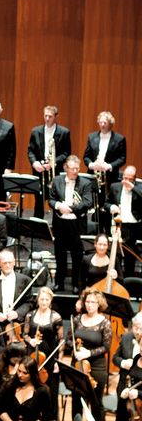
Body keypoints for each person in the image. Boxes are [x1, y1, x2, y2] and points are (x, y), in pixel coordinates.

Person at [49, 155, 94, 291]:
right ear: (65, 168)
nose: (75, 171)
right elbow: (50, 199)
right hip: (60, 224)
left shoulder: (85, 183)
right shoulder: (57, 181)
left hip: (77, 225)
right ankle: (59, 282)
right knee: (60, 255)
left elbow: (87, 202)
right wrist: (58, 205)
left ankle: (76, 284)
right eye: (72, 168)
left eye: (77, 168)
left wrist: (69, 208)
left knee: (77, 256)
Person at [70, 287, 111, 421]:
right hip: (77, 364)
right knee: (76, 400)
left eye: (93, 302)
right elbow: (69, 340)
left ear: (99, 304)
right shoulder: (77, 319)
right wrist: (75, 349)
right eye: (87, 301)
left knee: (96, 402)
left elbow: (106, 347)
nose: (90, 305)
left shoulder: (105, 323)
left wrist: (88, 353)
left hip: (97, 367)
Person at [22, 286, 64, 421]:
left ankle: (48, 419)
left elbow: (61, 340)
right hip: (33, 356)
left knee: (49, 389)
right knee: (32, 386)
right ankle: (31, 417)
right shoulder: (30, 315)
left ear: (50, 300)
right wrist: (31, 341)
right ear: (37, 299)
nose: (44, 302)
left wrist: (59, 360)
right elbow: (25, 334)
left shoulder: (56, 317)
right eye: (42, 299)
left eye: (47, 299)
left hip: (50, 357)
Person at [109, 312, 142, 421]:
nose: (137, 331)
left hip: (139, 394)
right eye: (135, 327)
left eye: (140, 328)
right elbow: (115, 358)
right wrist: (123, 363)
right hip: (124, 386)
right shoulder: (126, 338)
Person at [27, 105, 71, 219]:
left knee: (57, 200)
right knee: (39, 201)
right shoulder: (35, 131)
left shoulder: (64, 132)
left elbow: (66, 153)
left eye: (50, 116)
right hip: (39, 171)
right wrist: (34, 162)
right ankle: (38, 229)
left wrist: (53, 163)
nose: (47, 119)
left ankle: (57, 230)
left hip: (55, 172)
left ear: (56, 116)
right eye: (45, 115)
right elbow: (31, 151)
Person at [106, 165, 142, 278]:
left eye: (130, 179)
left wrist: (133, 188)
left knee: (129, 257)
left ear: (134, 179)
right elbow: (106, 203)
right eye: (125, 178)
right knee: (116, 256)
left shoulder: (139, 188)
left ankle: (128, 281)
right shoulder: (115, 187)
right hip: (118, 225)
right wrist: (111, 207)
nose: (126, 181)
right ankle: (117, 279)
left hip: (134, 227)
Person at [0, 249, 34, 327]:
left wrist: (17, 313)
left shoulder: (25, 280)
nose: (7, 265)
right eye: (4, 263)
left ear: (14, 262)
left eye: (10, 262)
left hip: (16, 325)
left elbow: (29, 302)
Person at [83, 110, 126, 192]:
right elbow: (86, 157)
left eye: (105, 123)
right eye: (100, 122)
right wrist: (91, 165)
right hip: (93, 174)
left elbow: (122, 158)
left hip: (110, 177)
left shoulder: (119, 139)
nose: (102, 125)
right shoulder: (91, 136)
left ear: (110, 123)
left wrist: (109, 166)